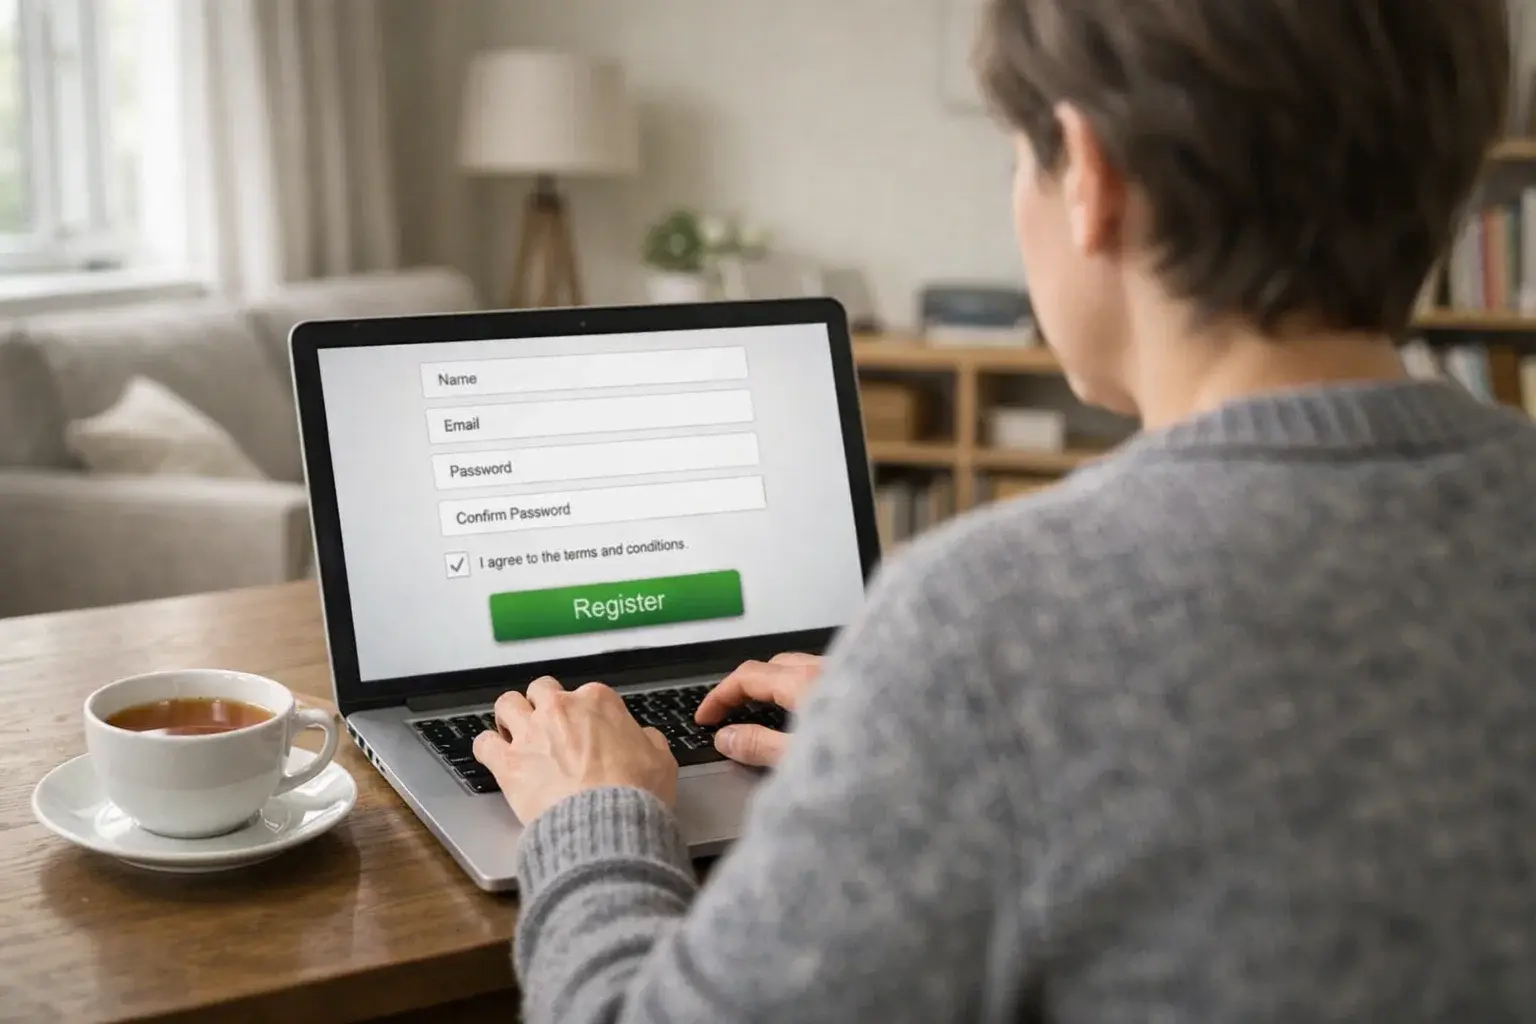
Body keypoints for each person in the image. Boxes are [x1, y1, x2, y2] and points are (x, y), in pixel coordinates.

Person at [471, 0, 1536, 1019]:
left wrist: (592, 816)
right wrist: (907, 751)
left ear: (1091, 179)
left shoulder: (989, 624)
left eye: (1018, 157)